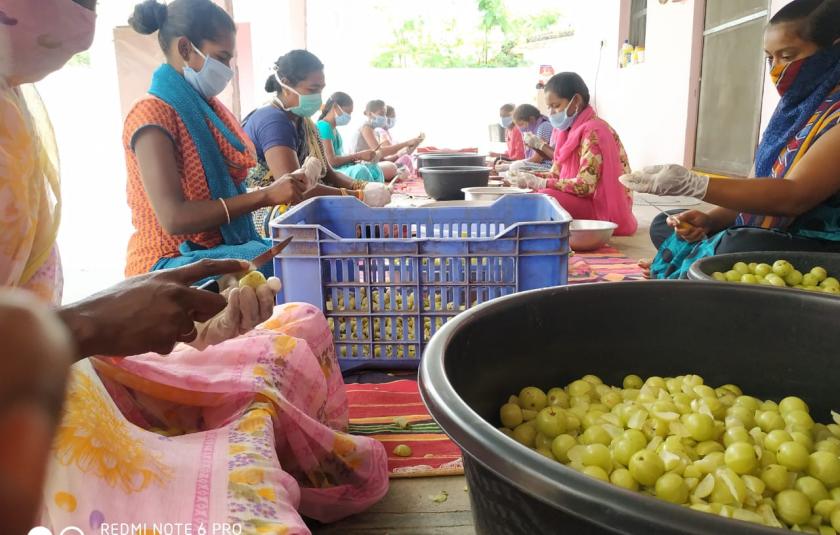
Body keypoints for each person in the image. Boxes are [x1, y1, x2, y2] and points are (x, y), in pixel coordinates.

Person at [0, 0, 388, 532]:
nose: (85, 17)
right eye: (222, 57)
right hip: (160, 267)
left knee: (302, 320)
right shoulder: (153, 115)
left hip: (70, 347)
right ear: (187, 50)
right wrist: (89, 326)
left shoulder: (17, 106)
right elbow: (176, 218)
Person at [621, 0, 840, 279]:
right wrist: (710, 218)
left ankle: (692, 264)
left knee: (739, 244)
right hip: (775, 229)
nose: (776, 69)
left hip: (821, 244)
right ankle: (697, 260)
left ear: (834, 49)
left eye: (787, 55)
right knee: (666, 224)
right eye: (770, 58)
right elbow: (756, 187)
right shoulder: (797, 110)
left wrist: (696, 185)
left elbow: (793, 197)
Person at [242, 50, 391, 235]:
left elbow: (330, 174)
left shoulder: (305, 122)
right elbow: (294, 191)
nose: (318, 97)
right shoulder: (273, 121)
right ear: (286, 85)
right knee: (355, 224)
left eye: (321, 89)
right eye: (312, 90)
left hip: (299, 199)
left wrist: (362, 187)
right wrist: (358, 197)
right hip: (267, 210)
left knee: (370, 220)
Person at [509, 73, 638, 236]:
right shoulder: (567, 132)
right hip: (583, 200)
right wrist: (526, 177)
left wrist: (541, 183)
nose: (551, 113)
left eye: (556, 106)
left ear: (576, 101)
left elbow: (585, 186)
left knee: (545, 197)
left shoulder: (594, 132)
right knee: (531, 194)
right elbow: (555, 175)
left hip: (600, 207)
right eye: (549, 107)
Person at [316, 91, 384, 181]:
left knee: (374, 168)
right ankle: (372, 192)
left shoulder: (334, 129)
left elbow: (339, 156)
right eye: (347, 112)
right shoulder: (323, 126)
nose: (349, 116)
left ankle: (376, 191)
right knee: (360, 171)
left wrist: (357, 160)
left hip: (341, 168)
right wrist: (358, 156)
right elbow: (331, 161)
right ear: (335, 107)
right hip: (332, 172)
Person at [352, 99, 423, 180]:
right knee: (393, 168)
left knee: (402, 166)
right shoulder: (366, 127)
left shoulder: (374, 131)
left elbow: (382, 159)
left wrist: (401, 153)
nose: (384, 117)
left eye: (385, 114)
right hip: (360, 167)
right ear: (369, 114)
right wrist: (406, 143)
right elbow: (381, 152)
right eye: (381, 114)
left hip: (370, 165)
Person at [374, 105, 418, 176]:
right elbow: (387, 151)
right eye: (392, 117)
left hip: (389, 162)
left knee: (409, 157)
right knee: (406, 158)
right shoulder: (380, 131)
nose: (394, 119)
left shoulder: (387, 132)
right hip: (385, 164)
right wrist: (404, 149)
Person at [512, 103, 555, 168]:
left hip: (546, 166)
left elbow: (538, 159)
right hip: (538, 164)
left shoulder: (543, 127)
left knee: (514, 167)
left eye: (521, 124)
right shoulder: (533, 130)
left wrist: (519, 164)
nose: (520, 129)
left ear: (531, 119)